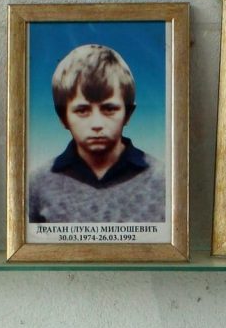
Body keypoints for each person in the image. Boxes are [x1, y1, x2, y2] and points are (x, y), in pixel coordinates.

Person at [28, 44, 165, 223]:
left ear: (128, 113)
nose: (97, 124)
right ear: (63, 118)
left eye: (109, 109)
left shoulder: (162, 180)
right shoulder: (37, 184)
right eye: (82, 110)